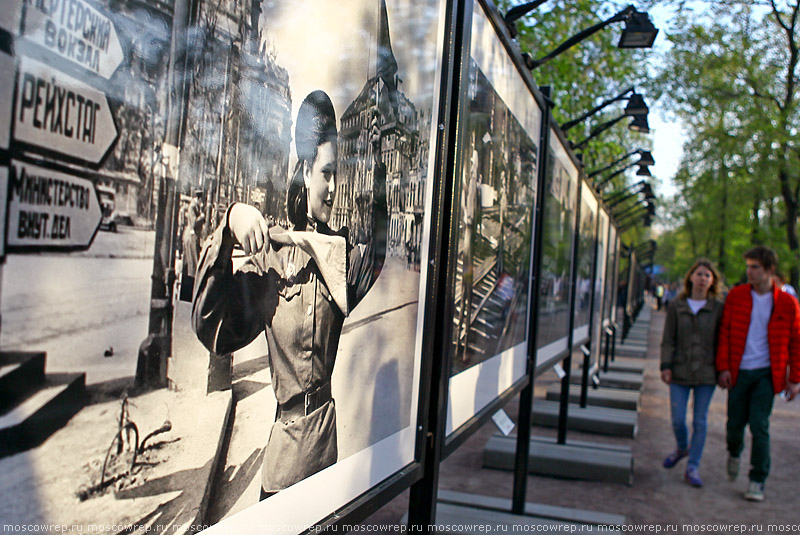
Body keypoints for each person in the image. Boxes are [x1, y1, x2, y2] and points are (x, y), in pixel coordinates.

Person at [191, 91, 387, 497]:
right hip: (283, 470)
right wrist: (230, 223)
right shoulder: (273, 261)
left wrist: (380, 159)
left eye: (337, 175)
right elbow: (211, 329)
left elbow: (377, 255)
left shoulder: (339, 259)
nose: (333, 188)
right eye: (326, 174)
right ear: (304, 172)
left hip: (326, 462)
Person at [716, 245, 800, 502]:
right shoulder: (737, 295)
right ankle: (734, 451)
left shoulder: (787, 303)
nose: (749, 272)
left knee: (760, 425)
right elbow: (725, 332)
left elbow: (796, 342)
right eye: (748, 266)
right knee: (734, 424)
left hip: (767, 373)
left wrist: (795, 379)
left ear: (770, 270)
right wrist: (724, 368)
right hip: (740, 370)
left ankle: (757, 480)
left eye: (755, 267)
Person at [660, 259, 724, 487]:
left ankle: (692, 467)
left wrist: (723, 369)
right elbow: (668, 339)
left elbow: (723, 340)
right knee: (678, 419)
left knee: (700, 421)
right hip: (679, 371)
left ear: (713, 281)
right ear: (690, 277)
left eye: (707, 275)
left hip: (706, 373)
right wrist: (665, 365)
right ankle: (681, 447)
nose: (703, 279)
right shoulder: (677, 306)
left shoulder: (718, 308)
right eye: (699, 274)